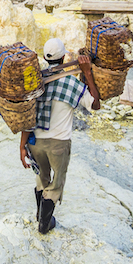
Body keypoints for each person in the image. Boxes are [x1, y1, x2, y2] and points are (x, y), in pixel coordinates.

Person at [19, 38, 100, 235]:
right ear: (64, 57)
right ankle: (44, 225)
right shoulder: (72, 83)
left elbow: (26, 116)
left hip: (35, 141)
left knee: (41, 177)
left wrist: (22, 146)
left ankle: (40, 216)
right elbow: (95, 104)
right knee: (55, 185)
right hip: (59, 144)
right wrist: (87, 73)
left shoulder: (36, 83)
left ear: (46, 59)